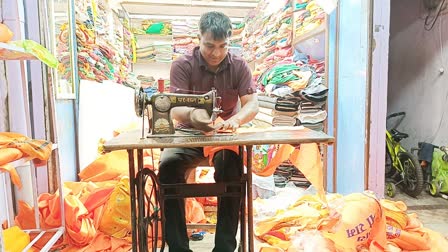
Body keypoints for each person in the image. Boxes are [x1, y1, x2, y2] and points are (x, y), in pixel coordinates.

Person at [157, 11, 259, 252]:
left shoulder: (239, 66)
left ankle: (224, 247)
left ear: (229, 42)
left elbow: (252, 104)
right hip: (187, 134)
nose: (216, 53)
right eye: (210, 45)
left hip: (223, 134)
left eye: (223, 46)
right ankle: (179, 248)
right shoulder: (182, 65)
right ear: (198, 37)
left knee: (232, 171)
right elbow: (176, 108)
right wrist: (196, 117)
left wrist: (237, 120)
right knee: (168, 168)